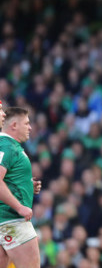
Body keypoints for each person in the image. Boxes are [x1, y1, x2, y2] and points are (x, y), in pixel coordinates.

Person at [0, 105, 42, 268]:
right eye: (26, 123)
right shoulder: (7, 146)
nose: (30, 127)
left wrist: (26, 186)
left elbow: (7, 178)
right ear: (14, 125)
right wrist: (19, 207)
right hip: (12, 221)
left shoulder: (9, 147)